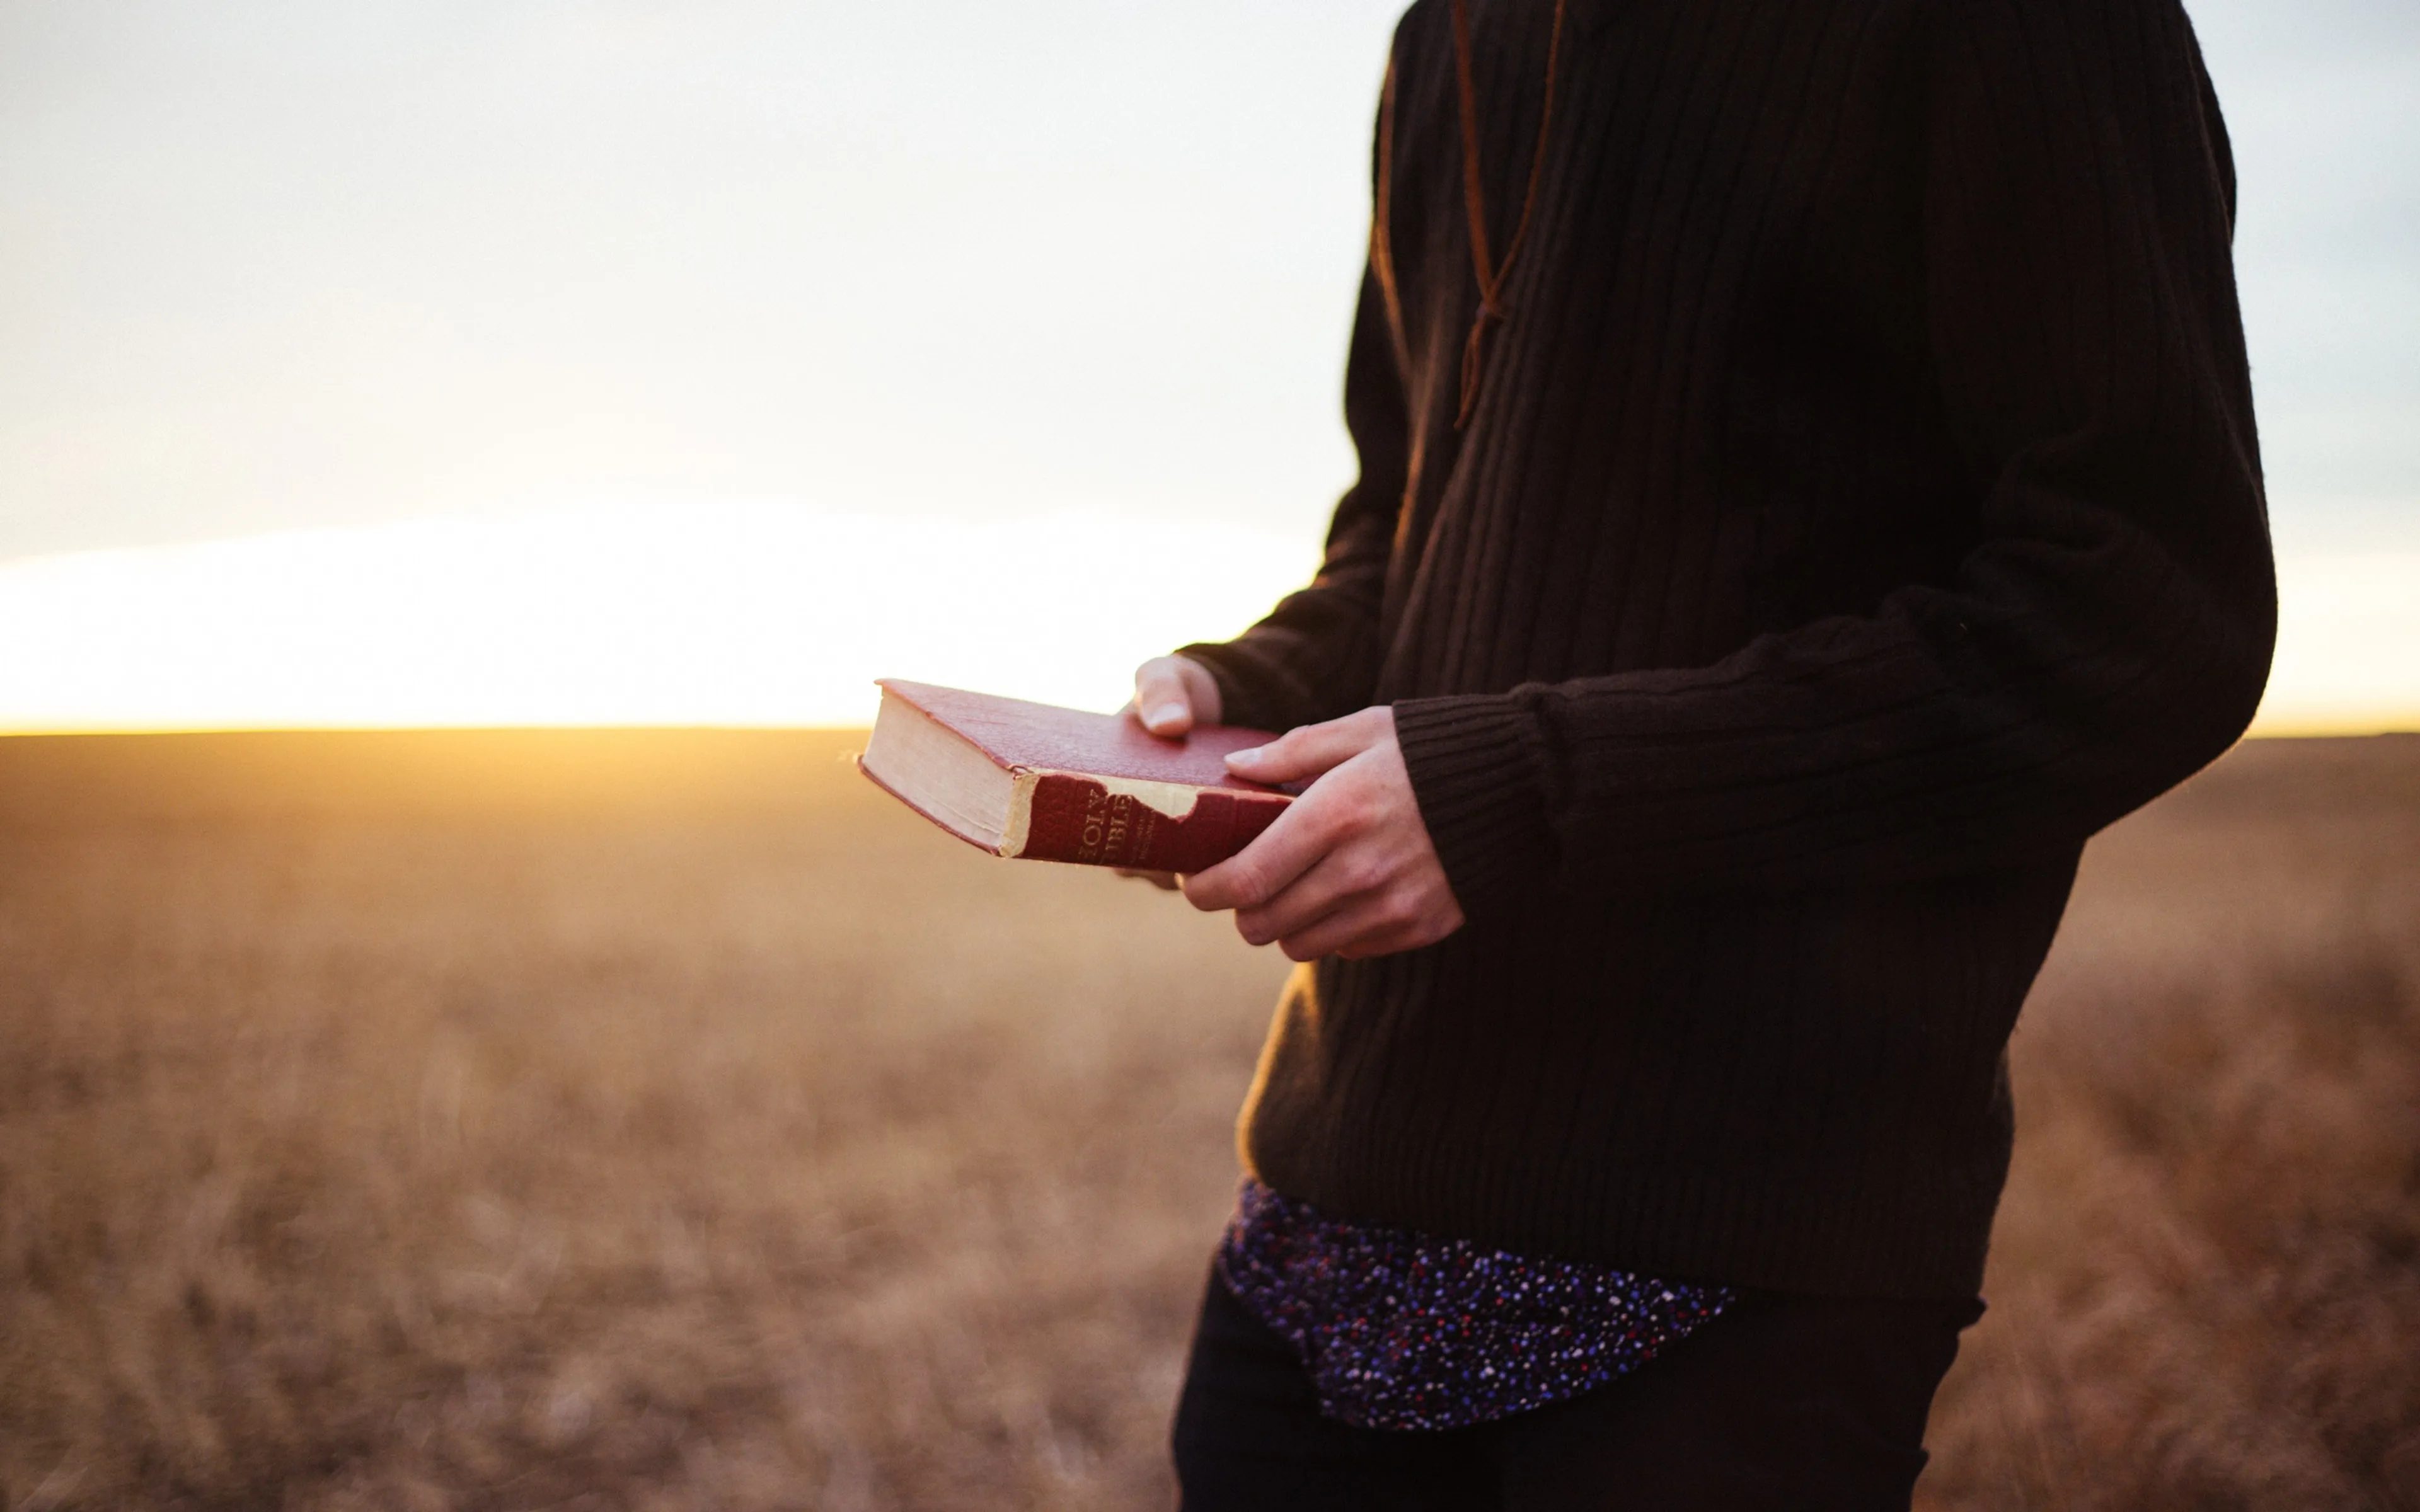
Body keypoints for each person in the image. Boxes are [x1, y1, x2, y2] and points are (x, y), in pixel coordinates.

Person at [1124, 0, 2276, 1506]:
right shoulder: (1448, 35)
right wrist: (1251, 682)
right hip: (1320, 1233)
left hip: (1722, 1280)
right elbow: (1408, 519)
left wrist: (1527, 796)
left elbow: (2141, 614)